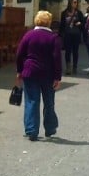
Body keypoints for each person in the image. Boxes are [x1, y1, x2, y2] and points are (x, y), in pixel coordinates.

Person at [14, 11, 62, 141]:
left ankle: (31, 130)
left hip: (30, 72)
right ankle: (50, 128)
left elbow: (20, 54)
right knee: (49, 101)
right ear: (49, 22)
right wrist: (58, 77)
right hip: (48, 74)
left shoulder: (29, 35)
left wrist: (19, 70)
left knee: (31, 101)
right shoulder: (53, 37)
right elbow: (57, 58)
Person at [59, 0, 86, 76]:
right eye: (74, 2)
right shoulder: (64, 13)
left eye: (76, 2)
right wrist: (60, 34)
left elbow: (83, 23)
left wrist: (79, 23)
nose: (76, 4)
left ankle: (74, 67)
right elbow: (62, 24)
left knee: (75, 51)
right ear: (70, 3)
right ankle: (68, 67)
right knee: (67, 51)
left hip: (76, 34)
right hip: (67, 35)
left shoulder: (79, 13)